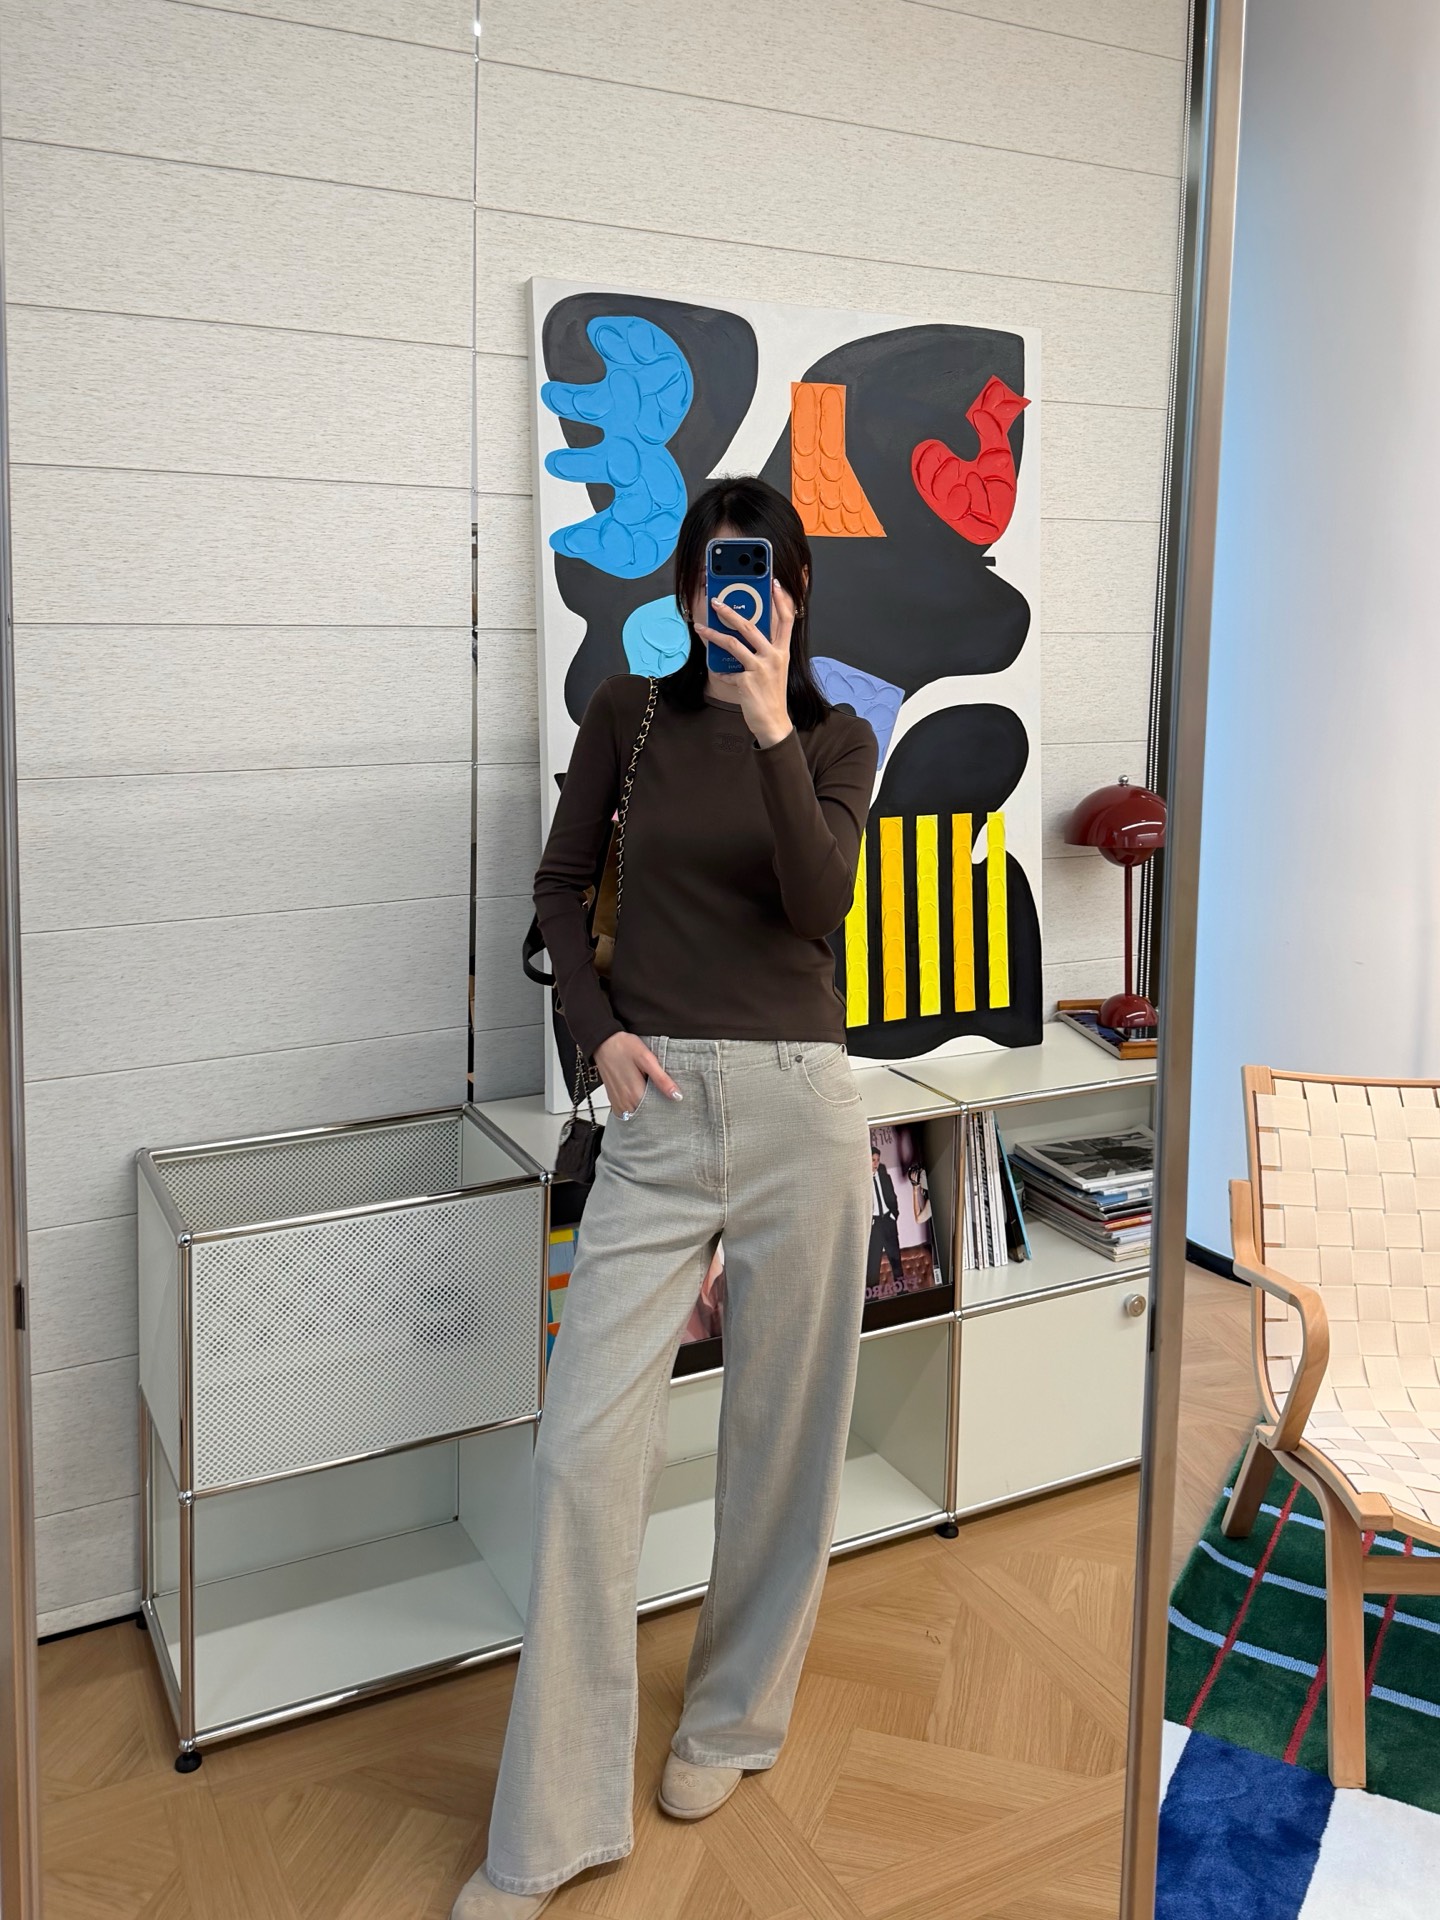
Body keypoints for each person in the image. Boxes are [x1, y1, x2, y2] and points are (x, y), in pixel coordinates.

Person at [452, 477, 879, 1917]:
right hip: (655, 1110)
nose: (735, 597)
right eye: (712, 573)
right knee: (584, 1455)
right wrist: (599, 1034)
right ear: (686, 589)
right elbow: (558, 887)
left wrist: (768, 727)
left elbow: (821, 905)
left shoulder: (835, 736)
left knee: (781, 1446)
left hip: (803, 1111)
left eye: (761, 575)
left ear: (796, 591)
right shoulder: (625, 716)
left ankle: (732, 1720)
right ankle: (551, 1827)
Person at [866, 1145, 903, 1292]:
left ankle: (902, 1293)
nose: (876, 1163)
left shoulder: (885, 1177)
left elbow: (893, 1197)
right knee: (873, 1264)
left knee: (896, 1260)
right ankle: (872, 1299)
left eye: (877, 1160)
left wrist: (894, 1215)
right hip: (874, 1224)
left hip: (888, 1221)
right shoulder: (862, 1182)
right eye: (873, 1160)